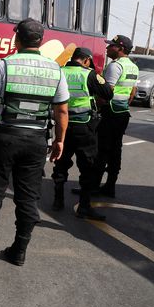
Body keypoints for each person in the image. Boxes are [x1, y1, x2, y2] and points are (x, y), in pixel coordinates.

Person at [0, 19, 68, 266]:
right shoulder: (56, 69)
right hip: (36, 141)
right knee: (28, 197)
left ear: (17, 39)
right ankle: (19, 251)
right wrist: (60, 141)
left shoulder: (4, 65)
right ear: (40, 40)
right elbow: (62, 111)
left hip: (4, 137)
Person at [50, 47, 113, 220]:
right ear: (86, 60)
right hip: (84, 127)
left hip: (62, 126)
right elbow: (108, 93)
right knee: (88, 166)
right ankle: (84, 207)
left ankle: (58, 200)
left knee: (61, 163)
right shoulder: (89, 74)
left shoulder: (59, 71)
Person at [89, 34, 138, 198]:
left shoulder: (115, 66)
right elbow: (132, 92)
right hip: (122, 113)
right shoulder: (133, 67)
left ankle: (93, 186)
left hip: (110, 113)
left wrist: (95, 104)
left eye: (112, 46)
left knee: (101, 150)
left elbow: (106, 92)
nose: (108, 48)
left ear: (121, 49)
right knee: (116, 150)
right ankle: (110, 186)